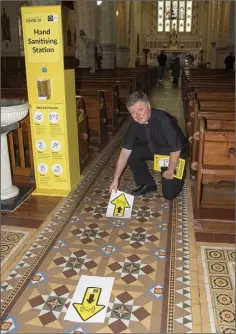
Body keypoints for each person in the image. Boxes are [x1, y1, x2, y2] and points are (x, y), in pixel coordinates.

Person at [109, 91, 189, 200]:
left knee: (169, 194)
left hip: (174, 153)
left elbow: (176, 149)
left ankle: (180, 171)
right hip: (155, 148)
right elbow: (124, 153)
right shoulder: (135, 125)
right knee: (133, 153)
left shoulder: (164, 121)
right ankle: (146, 183)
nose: (137, 115)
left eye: (140, 110)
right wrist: (115, 179)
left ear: (149, 106)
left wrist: (170, 169)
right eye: (133, 112)